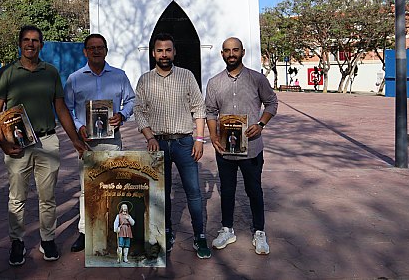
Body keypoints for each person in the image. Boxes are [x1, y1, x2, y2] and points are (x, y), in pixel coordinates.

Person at [0, 25, 88, 266]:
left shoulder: (51, 72)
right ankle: (17, 242)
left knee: (48, 197)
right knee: (17, 197)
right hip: (18, 144)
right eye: (26, 40)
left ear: (41, 45)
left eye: (35, 41)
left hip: (47, 141)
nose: (31, 44)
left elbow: (61, 108)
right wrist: (3, 144)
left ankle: (48, 239)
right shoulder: (7, 73)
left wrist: (75, 140)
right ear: (20, 43)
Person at [133, 33, 211, 259]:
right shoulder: (145, 80)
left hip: (185, 142)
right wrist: (149, 137)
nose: (164, 54)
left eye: (168, 50)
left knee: (194, 192)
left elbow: (199, 107)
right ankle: (164, 233)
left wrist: (199, 139)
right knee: (161, 193)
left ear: (174, 52)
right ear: (153, 53)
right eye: (160, 50)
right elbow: (139, 110)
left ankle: (199, 235)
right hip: (158, 144)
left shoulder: (186, 76)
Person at [205, 37, 278, 255]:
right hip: (225, 148)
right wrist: (213, 135)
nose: (231, 54)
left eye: (235, 50)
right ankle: (227, 229)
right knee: (227, 190)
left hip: (252, 147)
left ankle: (259, 232)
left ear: (243, 52)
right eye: (227, 50)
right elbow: (210, 111)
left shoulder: (257, 79)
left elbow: (272, 102)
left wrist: (261, 124)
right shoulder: (214, 82)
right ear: (222, 54)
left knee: (254, 190)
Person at [64, 33, 135, 253]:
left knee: (112, 185)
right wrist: (78, 127)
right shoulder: (75, 79)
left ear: (106, 50)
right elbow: (66, 108)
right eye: (91, 47)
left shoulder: (119, 76)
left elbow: (131, 100)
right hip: (87, 143)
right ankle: (85, 232)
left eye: (100, 47)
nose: (96, 51)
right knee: (87, 188)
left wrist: (122, 115)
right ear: (85, 51)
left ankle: (109, 232)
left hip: (112, 141)